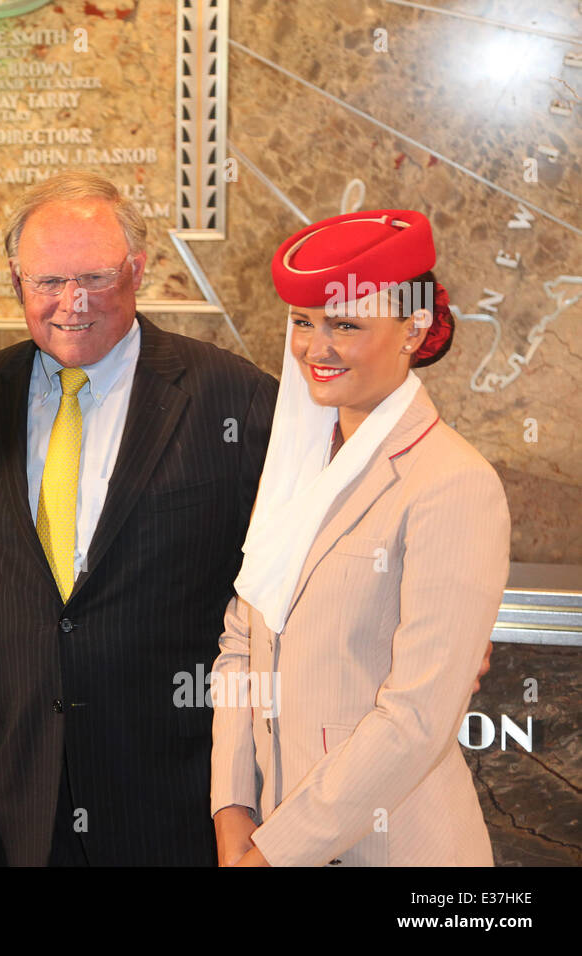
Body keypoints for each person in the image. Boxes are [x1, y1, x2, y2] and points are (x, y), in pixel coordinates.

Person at [0, 171, 277, 865]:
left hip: (177, 803)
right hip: (21, 807)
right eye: (48, 281)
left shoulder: (234, 399)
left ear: (137, 272)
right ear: (17, 281)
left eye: (96, 277)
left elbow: (298, 575)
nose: (73, 302)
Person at [211, 209, 509, 866]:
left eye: (345, 325)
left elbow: (417, 718)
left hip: (392, 848)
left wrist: (274, 854)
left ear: (415, 329)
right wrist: (232, 810)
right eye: (302, 322)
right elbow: (241, 642)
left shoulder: (453, 482)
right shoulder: (295, 466)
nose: (315, 348)